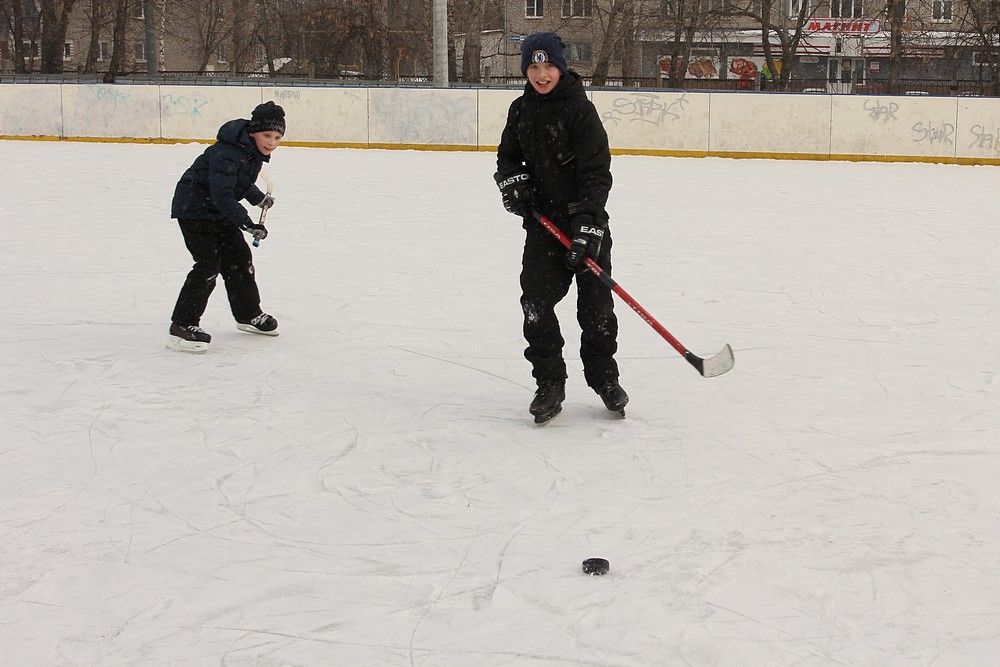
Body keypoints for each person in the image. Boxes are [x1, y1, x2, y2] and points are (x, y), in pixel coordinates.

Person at [494, 32, 628, 423]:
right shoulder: (520, 110)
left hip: (586, 224)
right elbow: (507, 160)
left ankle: (605, 378)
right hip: (544, 225)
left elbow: (596, 173)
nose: (541, 74)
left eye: (548, 65)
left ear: (561, 67)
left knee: (596, 310)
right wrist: (514, 184)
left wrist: (587, 223)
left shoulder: (580, 112)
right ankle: (549, 382)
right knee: (535, 304)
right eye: (533, 66)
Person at [167, 101, 284, 353]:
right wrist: (248, 223)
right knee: (208, 264)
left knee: (239, 258)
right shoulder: (229, 151)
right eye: (267, 135)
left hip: (217, 210)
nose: (272, 142)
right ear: (254, 132)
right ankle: (182, 325)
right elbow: (222, 194)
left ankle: (248, 314)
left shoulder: (250, 152)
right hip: (194, 209)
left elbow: (237, 182)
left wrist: (258, 198)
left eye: (277, 137)